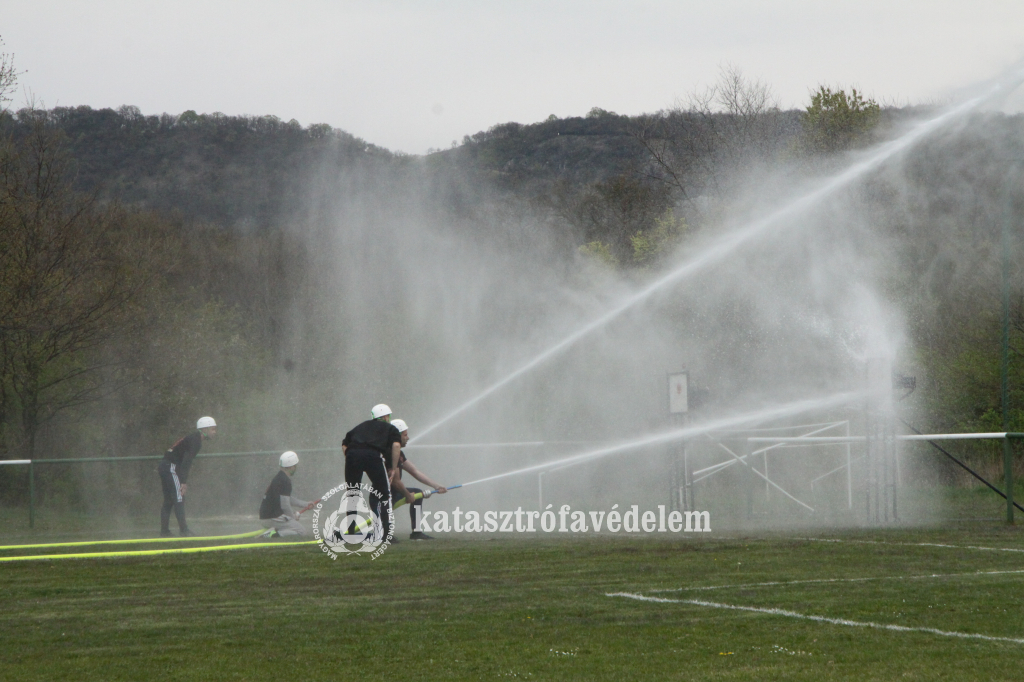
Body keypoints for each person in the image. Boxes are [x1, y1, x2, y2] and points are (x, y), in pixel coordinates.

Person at [342, 404, 415, 543]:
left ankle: (351, 531)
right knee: (384, 495)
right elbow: (396, 446)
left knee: (352, 493)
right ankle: (386, 535)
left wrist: (352, 456)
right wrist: (393, 468)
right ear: (387, 417)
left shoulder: (361, 426)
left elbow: (344, 443)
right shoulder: (390, 428)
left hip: (352, 455)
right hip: (372, 456)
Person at [159, 416, 216, 537]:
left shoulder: (192, 438)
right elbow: (186, 461)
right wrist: (183, 482)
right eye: (212, 429)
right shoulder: (196, 441)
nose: (214, 432)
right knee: (179, 497)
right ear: (204, 429)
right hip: (170, 466)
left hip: (165, 465)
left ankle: (164, 531)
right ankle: (184, 530)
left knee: (169, 500)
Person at [390, 419, 447, 540]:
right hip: (385, 494)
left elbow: (415, 471)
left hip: (394, 492)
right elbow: (395, 482)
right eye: (405, 435)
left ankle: (416, 532)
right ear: (397, 436)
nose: (408, 438)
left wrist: (436, 486)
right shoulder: (389, 453)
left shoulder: (399, 454)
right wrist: (407, 495)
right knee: (383, 533)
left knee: (417, 493)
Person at [258, 451, 312, 538]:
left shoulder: (279, 477)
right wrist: (292, 518)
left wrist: (305, 504)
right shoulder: (285, 481)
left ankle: (275, 531)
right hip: (273, 518)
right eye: (295, 466)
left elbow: (287, 499)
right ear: (291, 466)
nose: (295, 468)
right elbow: (285, 505)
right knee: (302, 531)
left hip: (265, 517)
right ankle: (271, 535)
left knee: (293, 526)